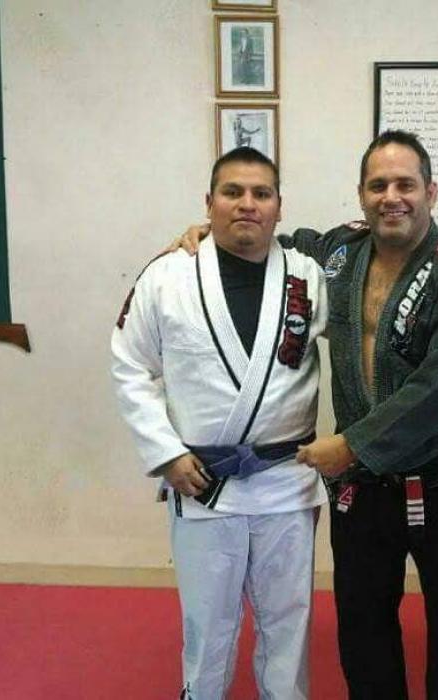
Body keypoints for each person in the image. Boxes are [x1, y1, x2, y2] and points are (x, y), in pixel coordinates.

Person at [174, 130, 438, 699]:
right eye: (378, 185)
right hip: (363, 486)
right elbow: (276, 243)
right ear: (361, 195)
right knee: (363, 627)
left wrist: (351, 444)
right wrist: (214, 231)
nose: (391, 197)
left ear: (431, 192)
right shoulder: (338, 254)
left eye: (405, 184)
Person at [112, 147, 328, 700]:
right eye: (233, 192)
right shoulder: (166, 276)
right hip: (203, 482)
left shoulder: (309, 274)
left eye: (261, 194)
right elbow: (131, 364)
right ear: (209, 203)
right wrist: (164, 452)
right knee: (208, 625)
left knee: (289, 622)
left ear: (279, 207)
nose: (247, 204)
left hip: (286, 481)